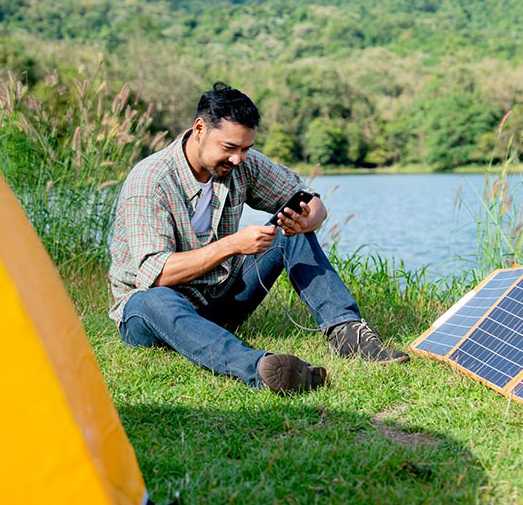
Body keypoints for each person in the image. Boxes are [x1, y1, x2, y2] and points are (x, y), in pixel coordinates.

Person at [108, 82, 408, 395]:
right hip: (150, 314)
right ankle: (261, 369)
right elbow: (157, 274)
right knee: (154, 298)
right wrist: (233, 245)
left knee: (288, 231)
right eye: (229, 148)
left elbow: (305, 197)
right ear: (199, 129)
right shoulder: (151, 181)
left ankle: (348, 334)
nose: (238, 158)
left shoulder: (240, 163)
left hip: (216, 300)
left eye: (245, 149)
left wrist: (311, 216)